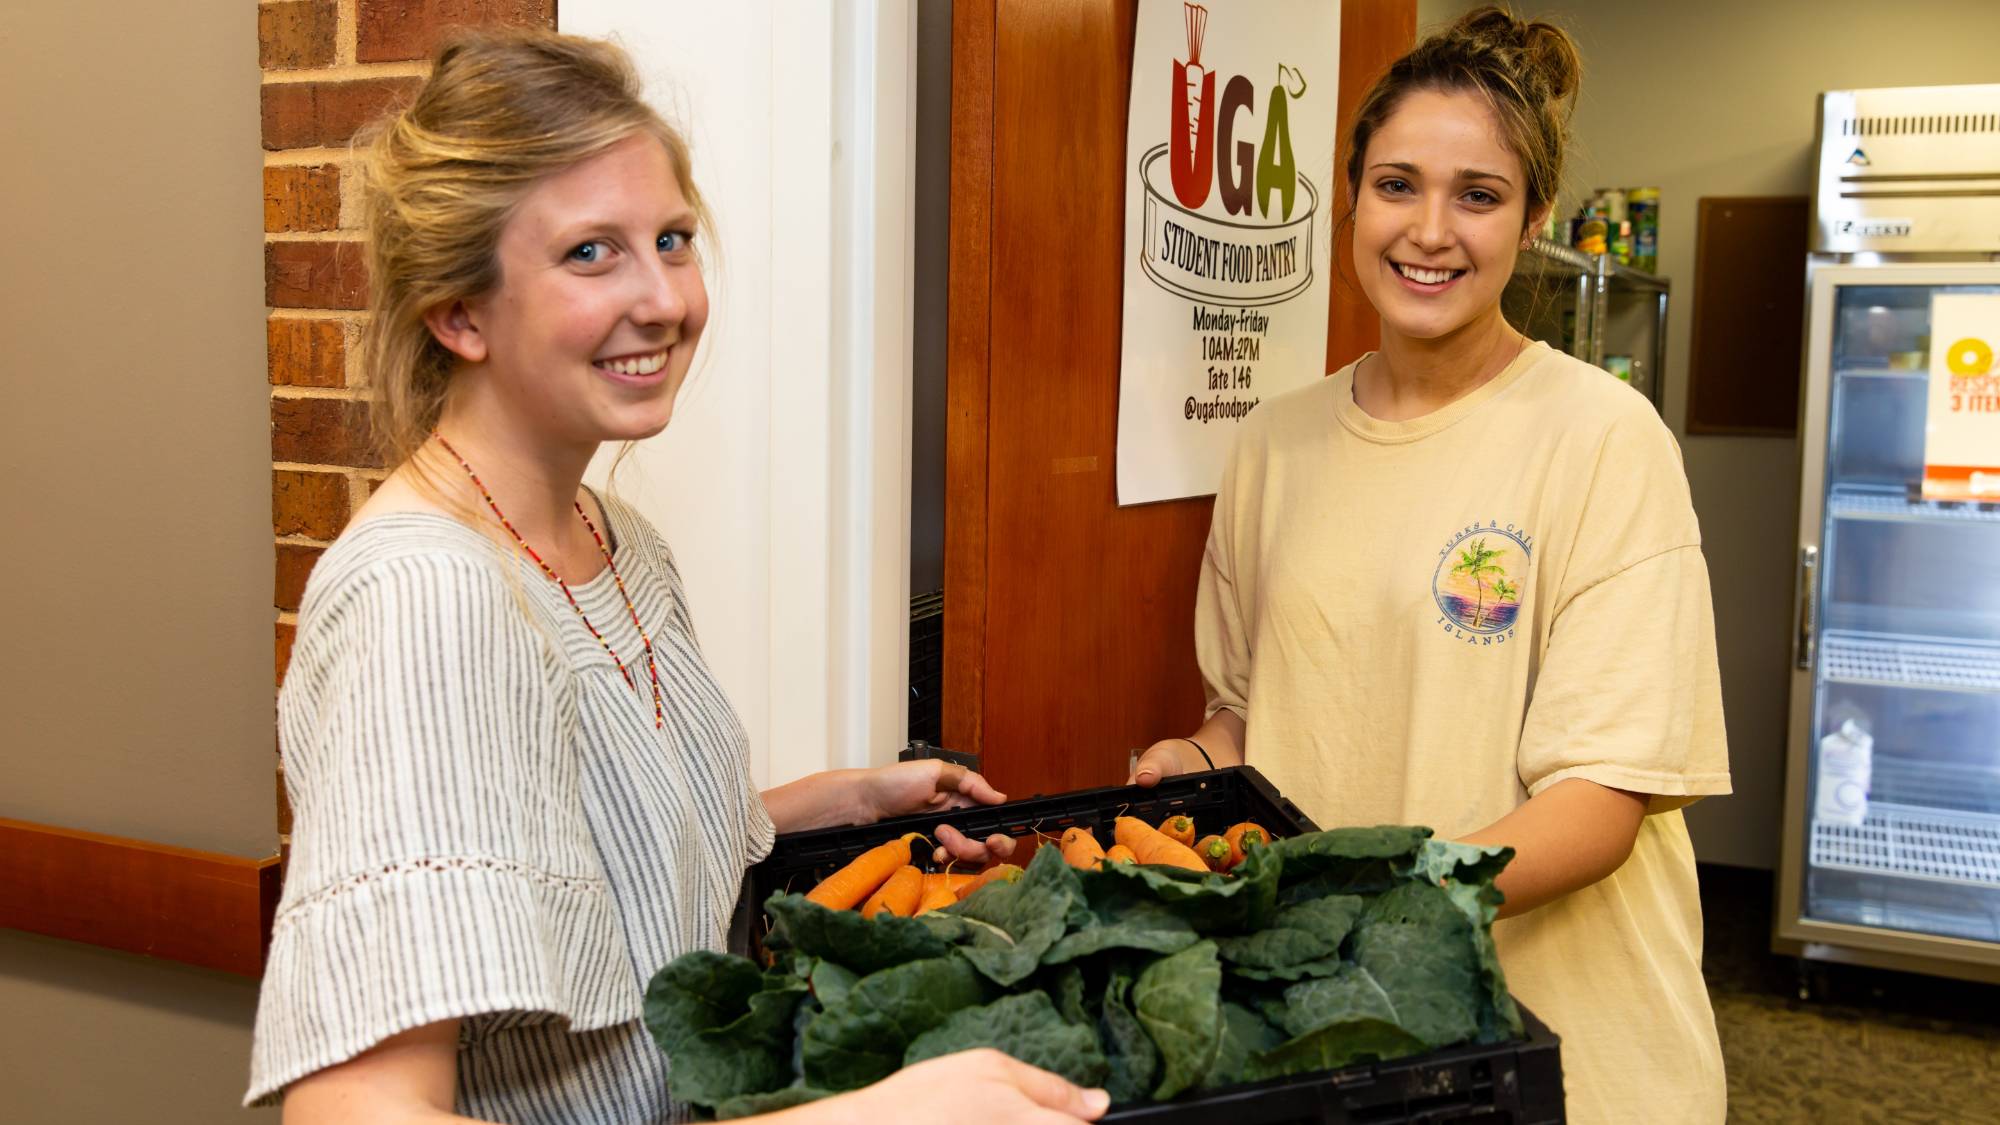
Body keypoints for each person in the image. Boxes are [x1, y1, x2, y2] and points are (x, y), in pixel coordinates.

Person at [246, 30, 1105, 1125]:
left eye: (671, 239)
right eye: (590, 254)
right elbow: (357, 1114)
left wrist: (846, 802)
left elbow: (596, 869)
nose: (662, 299)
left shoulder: (616, 539)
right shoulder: (426, 599)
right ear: (459, 314)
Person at [1129, 8, 1730, 1123]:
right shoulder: (1273, 441)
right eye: (1397, 185)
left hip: (1562, 1053)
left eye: (1478, 195)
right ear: (1349, 195)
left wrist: (1354, 906)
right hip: (1349, 1043)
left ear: (1531, 220)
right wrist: (1194, 761)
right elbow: (1253, 712)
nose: (1429, 231)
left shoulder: (1600, 437)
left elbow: (1599, 801)